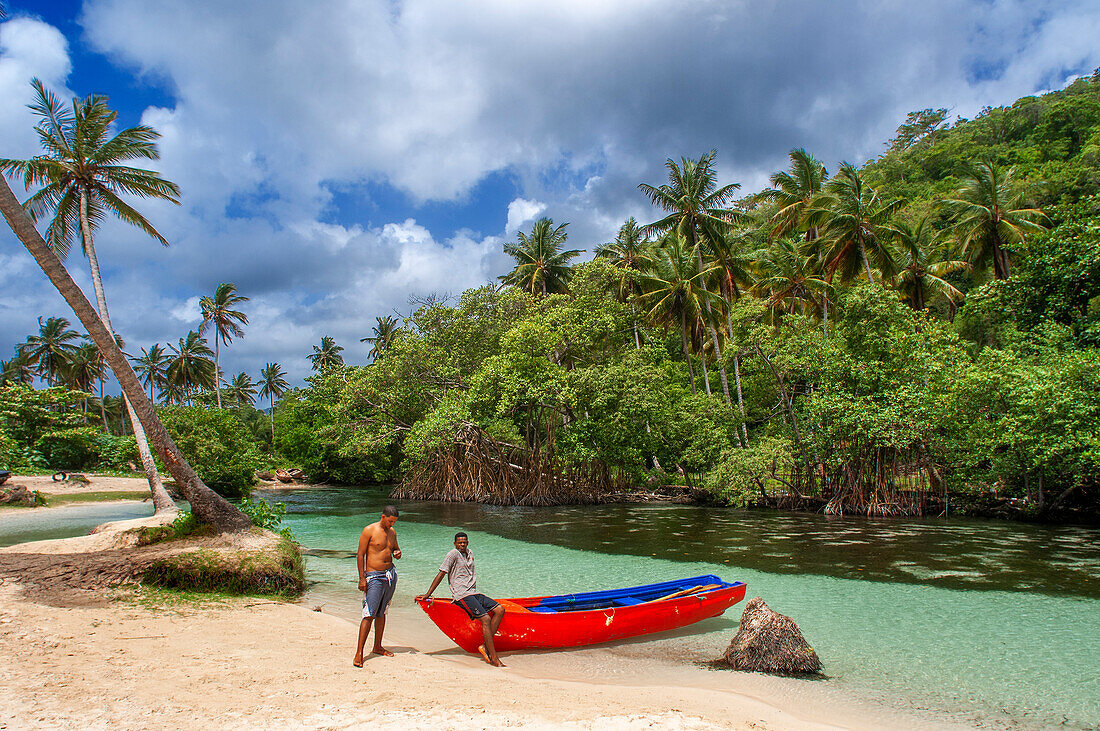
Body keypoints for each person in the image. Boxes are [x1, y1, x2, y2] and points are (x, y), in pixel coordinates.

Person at [416, 532, 506, 667]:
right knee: (486, 619)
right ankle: (494, 658)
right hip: (462, 594)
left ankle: (485, 646)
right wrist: (428, 594)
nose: (462, 544)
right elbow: (441, 573)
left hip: (473, 592)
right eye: (459, 542)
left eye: (464, 542)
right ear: (455, 544)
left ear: (467, 543)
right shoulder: (452, 554)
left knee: (500, 610)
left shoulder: (470, 553)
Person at [353, 505, 401, 667]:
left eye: (394, 522)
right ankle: (359, 652)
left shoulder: (392, 532)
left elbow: (395, 549)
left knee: (382, 612)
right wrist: (362, 578)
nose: (392, 525)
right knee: (369, 613)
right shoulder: (369, 530)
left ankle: (378, 646)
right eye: (390, 521)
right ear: (383, 517)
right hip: (374, 576)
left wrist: (398, 553)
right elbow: (360, 555)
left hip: (390, 575)